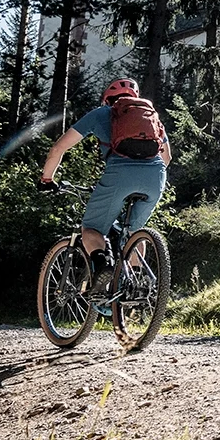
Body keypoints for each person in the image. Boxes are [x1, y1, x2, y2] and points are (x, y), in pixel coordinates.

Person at [40, 78, 171, 295]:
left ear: (107, 99)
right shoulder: (151, 116)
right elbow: (167, 157)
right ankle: (137, 286)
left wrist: (47, 179)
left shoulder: (102, 114)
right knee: (133, 232)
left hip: (120, 175)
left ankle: (103, 267)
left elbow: (58, 148)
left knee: (91, 229)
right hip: (156, 176)